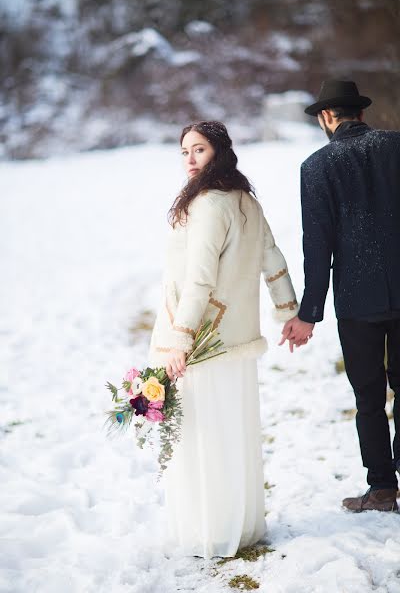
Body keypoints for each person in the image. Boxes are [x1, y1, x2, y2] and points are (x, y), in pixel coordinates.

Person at [148, 120, 299, 558]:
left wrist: (180, 340)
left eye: (199, 150)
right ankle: (241, 523)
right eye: (184, 152)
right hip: (236, 339)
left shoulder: (210, 205)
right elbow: (273, 257)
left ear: (219, 151)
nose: (190, 159)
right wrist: (287, 311)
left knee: (207, 435)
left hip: (203, 343)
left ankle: (212, 530)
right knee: (232, 431)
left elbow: (198, 280)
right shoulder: (246, 200)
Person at [281, 79, 400, 512]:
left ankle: (383, 489)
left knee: (368, 397)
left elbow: (318, 244)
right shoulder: (396, 146)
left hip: (357, 301)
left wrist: (309, 312)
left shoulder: (316, 167)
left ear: (327, 118)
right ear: (361, 114)